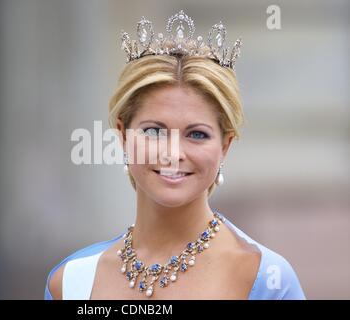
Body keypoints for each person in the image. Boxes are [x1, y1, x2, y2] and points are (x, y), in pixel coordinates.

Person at [45, 10, 305, 300]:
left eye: (197, 134)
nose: (172, 153)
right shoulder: (71, 282)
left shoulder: (266, 280)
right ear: (122, 135)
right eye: (154, 131)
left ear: (225, 146)